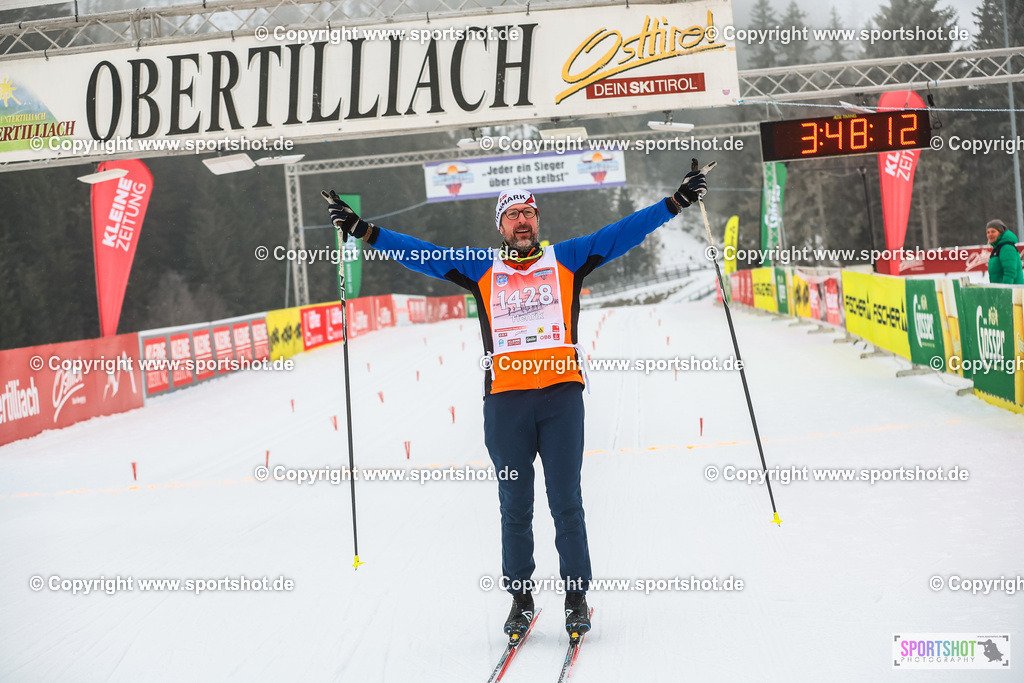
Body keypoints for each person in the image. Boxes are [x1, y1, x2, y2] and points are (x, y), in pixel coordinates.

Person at [324, 164, 708, 643]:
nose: (522, 222)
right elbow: (422, 255)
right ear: (500, 226)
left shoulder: (567, 259)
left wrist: (675, 202)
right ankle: (520, 599)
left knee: (567, 501)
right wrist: (364, 230)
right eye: (512, 215)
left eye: (528, 213)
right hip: (505, 404)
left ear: (537, 221)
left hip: (561, 400)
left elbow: (622, 233)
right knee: (515, 505)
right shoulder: (483, 268)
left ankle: (575, 597)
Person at [986, 219, 1024, 285]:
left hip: (1012, 292)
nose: (990, 234)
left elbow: (1010, 272)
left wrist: (1005, 290)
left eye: (993, 231)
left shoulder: (1007, 247)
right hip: (1000, 291)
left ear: (1000, 232)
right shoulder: (998, 248)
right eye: (988, 232)